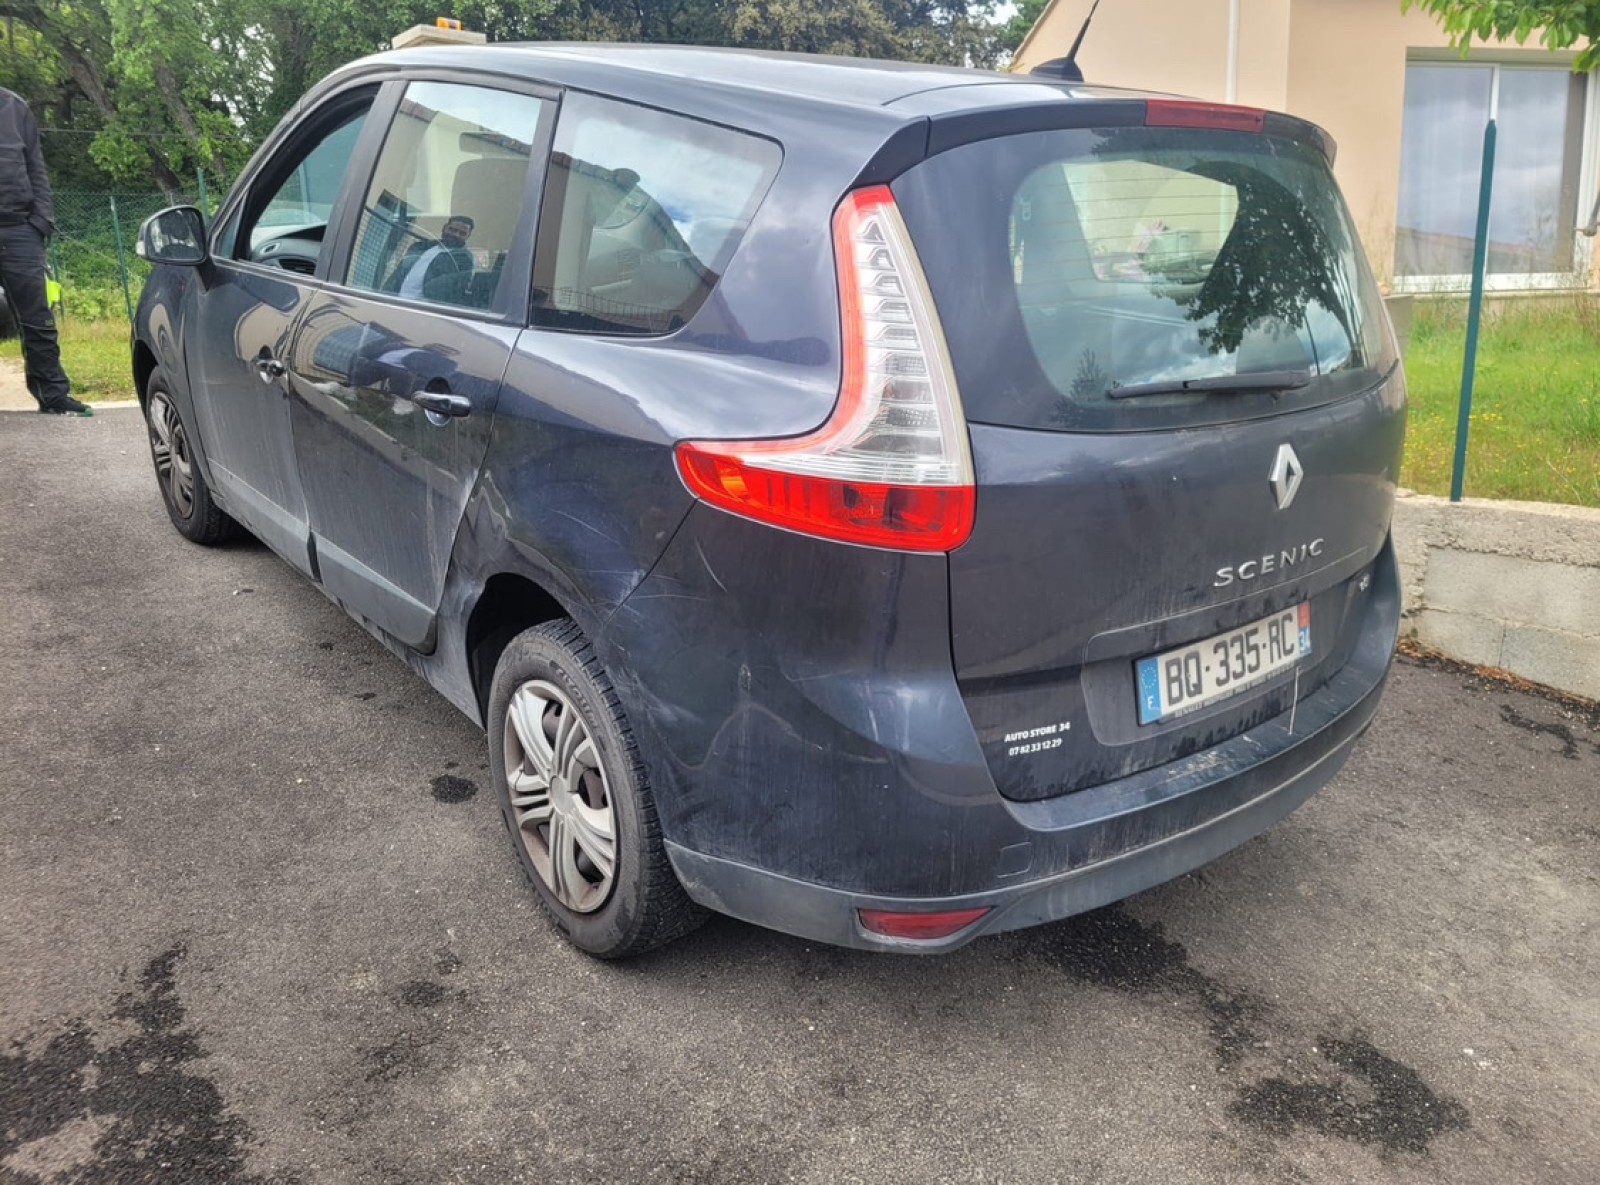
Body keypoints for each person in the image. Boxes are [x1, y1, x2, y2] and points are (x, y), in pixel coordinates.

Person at [0, 87, 88, 416]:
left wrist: (41, 221)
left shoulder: (15, 106)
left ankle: (53, 396)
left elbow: (36, 168)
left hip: (20, 229)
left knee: (38, 320)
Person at [392, 215, 475, 301]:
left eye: (462, 233)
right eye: (452, 230)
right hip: (396, 301)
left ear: (468, 236)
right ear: (444, 228)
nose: (456, 235)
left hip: (426, 309)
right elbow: (397, 275)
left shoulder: (463, 260)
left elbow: (452, 292)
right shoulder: (421, 247)